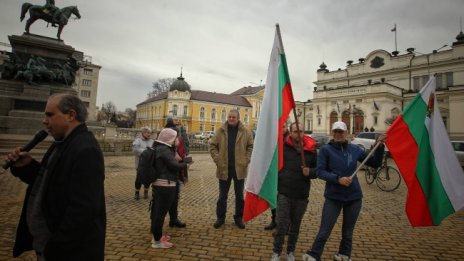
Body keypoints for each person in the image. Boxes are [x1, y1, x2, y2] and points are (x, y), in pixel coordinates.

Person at [5, 94, 106, 260]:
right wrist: (27, 167)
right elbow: (53, 185)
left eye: (50, 115)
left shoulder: (86, 149)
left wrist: (55, 247)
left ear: (71, 115)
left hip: (67, 253)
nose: (44, 121)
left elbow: (83, 211)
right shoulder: (62, 142)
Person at [303, 121, 386, 261]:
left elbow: (375, 163)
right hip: (333, 197)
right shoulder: (325, 150)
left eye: (341, 131)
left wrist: (380, 145)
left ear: (346, 133)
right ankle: (314, 254)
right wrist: (338, 179)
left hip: (354, 197)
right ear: (331, 132)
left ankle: (344, 254)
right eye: (335, 131)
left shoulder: (355, 149)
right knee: (325, 230)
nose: (338, 134)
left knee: (348, 232)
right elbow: (320, 172)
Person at [270, 122, 317, 261]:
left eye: (301, 131)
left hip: (301, 194)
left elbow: (318, 170)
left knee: (295, 227)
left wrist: (311, 172)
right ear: (290, 132)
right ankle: (276, 252)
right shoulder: (283, 147)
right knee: (281, 225)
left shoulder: (311, 149)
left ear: (304, 132)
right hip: (284, 192)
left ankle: (290, 251)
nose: (298, 134)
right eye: (295, 131)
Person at [209, 109, 254, 229]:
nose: (231, 119)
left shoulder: (246, 131)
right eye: (229, 117)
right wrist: (217, 159)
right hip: (224, 168)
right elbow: (212, 146)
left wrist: (246, 160)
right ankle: (220, 218)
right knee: (222, 196)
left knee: (239, 196)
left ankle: (239, 218)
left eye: (233, 117)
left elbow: (250, 146)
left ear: (238, 118)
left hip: (239, 168)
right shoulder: (220, 130)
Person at [150, 128, 188, 248]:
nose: (178, 140)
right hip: (165, 185)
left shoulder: (160, 148)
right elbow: (174, 166)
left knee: (158, 211)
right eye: (176, 137)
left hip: (161, 183)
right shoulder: (164, 150)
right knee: (160, 213)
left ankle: (157, 236)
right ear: (170, 138)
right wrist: (186, 163)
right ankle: (156, 242)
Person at [265, 123, 290, 231]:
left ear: (287, 127)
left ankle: (286, 224)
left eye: (284, 126)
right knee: (274, 198)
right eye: (280, 126)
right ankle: (274, 220)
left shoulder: (290, 140)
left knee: (285, 200)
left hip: (287, 174)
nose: (282, 128)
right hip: (275, 172)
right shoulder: (274, 139)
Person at [164, 118, 188, 228]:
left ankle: (173, 219)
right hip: (164, 176)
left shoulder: (180, 139)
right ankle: (156, 225)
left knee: (175, 198)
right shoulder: (163, 139)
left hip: (176, 174)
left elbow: (183, 152)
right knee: (162, 202)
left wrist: (184, 159)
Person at [132, 127, 154, 200]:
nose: (149, 134)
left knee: (148, 179)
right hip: (140, 164)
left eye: (150, 133)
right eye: (147, 133)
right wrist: (146, 152)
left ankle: (146, 191)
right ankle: (137, 193)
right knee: (139, 179)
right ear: (143, 133)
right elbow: (135, 150)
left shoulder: (152, 141)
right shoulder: (138, 140)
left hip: (149, 164)